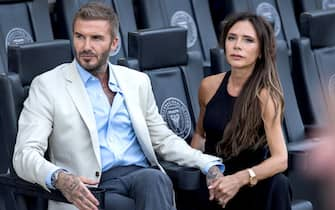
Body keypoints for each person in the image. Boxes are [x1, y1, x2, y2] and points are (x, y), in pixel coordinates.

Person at [12, 2, 223, 210]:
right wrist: (59, 178)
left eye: (96, 38)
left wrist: (206, 163)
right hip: (90, 188)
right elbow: (25, 154)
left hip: (139, 177)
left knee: (154, 179)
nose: (86, 46)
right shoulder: (48, 85)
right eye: (79, 37)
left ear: (114, 43)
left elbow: (163, 140)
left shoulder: (136, 81)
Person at [191, 12, 292, 210]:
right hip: (215, 179)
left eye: (248, 40)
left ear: (261, 51)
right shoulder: (208, 86)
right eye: (232, 38)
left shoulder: (266, 96)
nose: (237, 46)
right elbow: (200, 135)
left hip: (250, 182)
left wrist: (239, 179)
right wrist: (202, 168)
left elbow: (281, 159)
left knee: (279, 184)